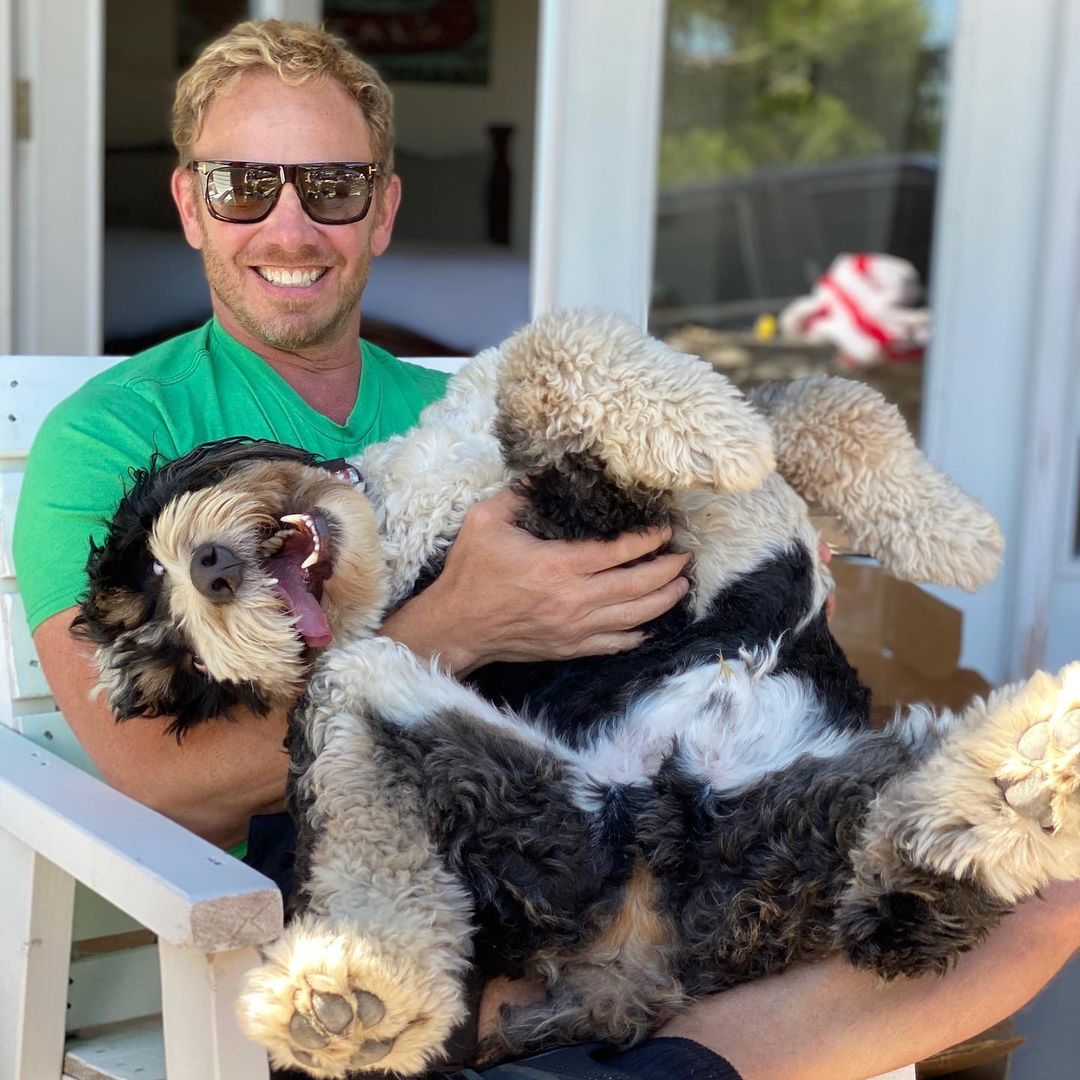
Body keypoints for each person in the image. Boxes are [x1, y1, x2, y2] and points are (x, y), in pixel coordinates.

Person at [12, 20, 1080, 1080]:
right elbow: (159, 785)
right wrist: (462, 626)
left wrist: (757, 596)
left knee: (1044, 895)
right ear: (191, 204)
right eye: (246, 187)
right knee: (536, 985)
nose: (290, 229)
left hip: (659, 809)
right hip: (385, 883)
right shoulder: (112, 440)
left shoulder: (452, 407)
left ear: (381, 210)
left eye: (331, 186)